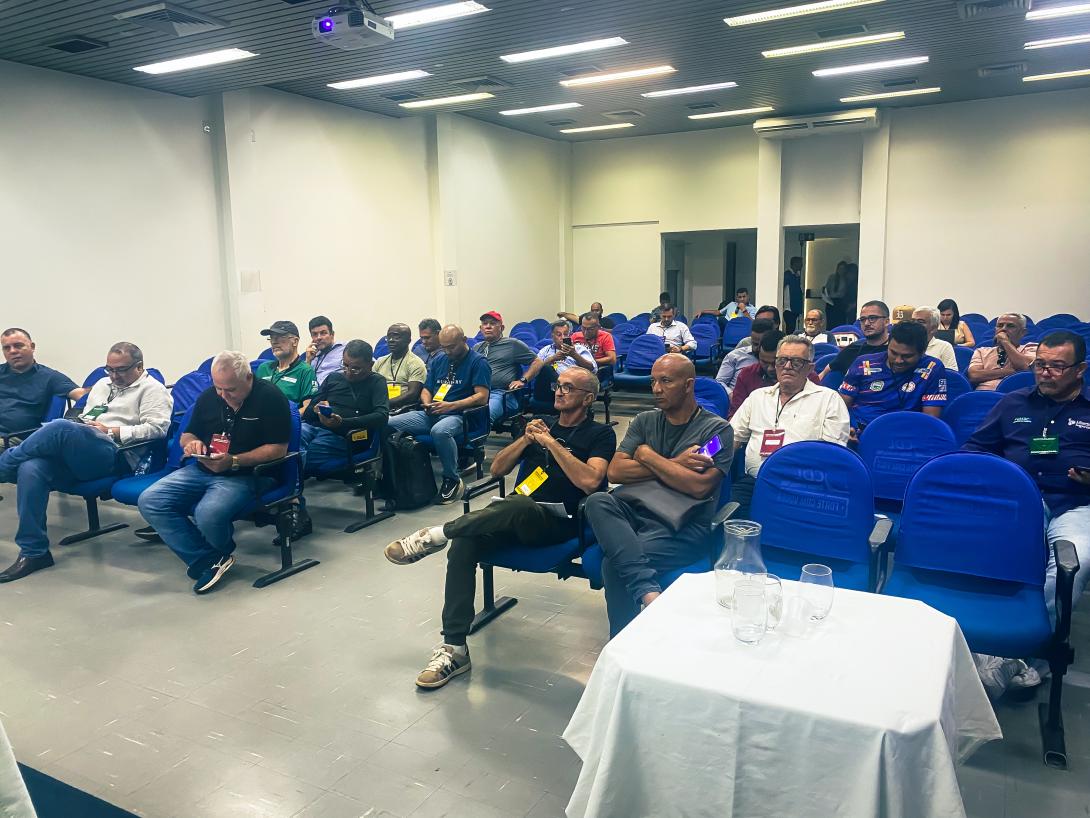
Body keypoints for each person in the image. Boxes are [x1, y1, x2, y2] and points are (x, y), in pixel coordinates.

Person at [383, 367, 616, 688]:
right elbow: (498, 469)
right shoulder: (539, 426)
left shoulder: (600, 434)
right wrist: (525, 439)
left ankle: (437, 534)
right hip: (514, 516)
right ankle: (454, 648)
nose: (559, 392)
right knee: (467, 540)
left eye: (569, 388)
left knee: (517, 504)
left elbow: (591, 482)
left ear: (588, 398)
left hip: (562, 524)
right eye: (558, 386)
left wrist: (552, 444)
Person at [964, 330, 1090, 695]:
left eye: (1057, 366)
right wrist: (996, 477)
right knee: (982, 553)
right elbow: (974, 448)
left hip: (1075, 503)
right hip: (1017, 501)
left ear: (1080, 370)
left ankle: (1022, 654)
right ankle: (977, 640)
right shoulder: (1012, 403)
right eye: (1040, 365)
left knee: (1073, 564)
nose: (1045, 372)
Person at [586, 354, 733, 636]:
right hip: (637, 513)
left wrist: (645, 454)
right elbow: (615, 471)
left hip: (684, 524)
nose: (655, 388)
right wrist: (675, 463)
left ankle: (623, 642)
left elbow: (698, 487)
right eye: (653, 381)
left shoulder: (717, 431)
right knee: (597, 500)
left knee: (613, 565)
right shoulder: (644, 420)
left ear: (688, 385)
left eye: (665, 381)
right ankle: (647, 593)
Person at [0, 342, 172, 582]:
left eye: (120, 370)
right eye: (109, 369)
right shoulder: (103, 385)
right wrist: (84, 426)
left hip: (116, 454)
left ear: (139, 366)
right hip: (84, 451)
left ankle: (5, 464)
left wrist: (112, 431)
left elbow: (158, 429)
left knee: (60, 427)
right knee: (32, 468)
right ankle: (34, 552)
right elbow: (87, 417)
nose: (113, 376)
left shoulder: (153, 390)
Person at [138, 351, 291, 594]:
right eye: (219, 388)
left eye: (230, 389)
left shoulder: (271, 398)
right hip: (204, 467)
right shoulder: (211, 396)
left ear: (248, 378)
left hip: (248, 474)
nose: (223, 395)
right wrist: (191, 444)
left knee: (207, 513)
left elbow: (278, 449)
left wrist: (235, 461)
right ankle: (209, 558)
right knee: (150, 500)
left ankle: (214, 555)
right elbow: (188, 433)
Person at [729, 335, 850, 516]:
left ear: (810, 367)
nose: (787, 366)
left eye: (796, 362)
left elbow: (830, 456)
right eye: (782, 360)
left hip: (803, 487)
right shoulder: (758, 397)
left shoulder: (829, 399)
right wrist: (703, 454)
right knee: (733, 527)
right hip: (755, 482)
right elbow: (730, 437)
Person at [388, 325, 491, 503]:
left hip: (461, 415)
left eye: (451, 347)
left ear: (464, 341)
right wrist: (427, 402)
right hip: (433, 412)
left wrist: (451, 406)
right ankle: (395, 476)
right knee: (388, 422)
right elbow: (426, 388)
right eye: (444, 347)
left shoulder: (478, 362)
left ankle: (452, 478)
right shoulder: (440, 359)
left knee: (440, 431)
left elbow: (482, 397)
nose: (447, 351)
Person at [839, 321, 947, 436]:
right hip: (860, 431)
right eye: (893, 353)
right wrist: (847, 429)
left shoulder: (932, 368)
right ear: (888, 345)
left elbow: (929, 421)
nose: (898, 360)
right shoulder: (863, 363)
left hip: (904, 435)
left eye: (907, 356)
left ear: (923, 352)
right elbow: (840, 406)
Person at [301, 339, 388, 476]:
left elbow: (382, 416)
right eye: (345, 365)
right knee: (289, 441)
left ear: (370, 365)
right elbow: (308, 414)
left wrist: (342, 422)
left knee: (300, 455)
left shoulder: (376, 382)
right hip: (316, 427)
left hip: (347, 437)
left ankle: (288, 488)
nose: (348, 372)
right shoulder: (333, 377)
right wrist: (317, 410)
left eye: (355, 368)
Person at [0, 328, 85, 436]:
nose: (12, 351)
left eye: (18, 345)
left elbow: (84, 396)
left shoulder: (50, 377)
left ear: (32, 347)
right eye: (7, 348)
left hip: (15, 439)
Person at [728, 331, 822, 420]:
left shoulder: (807, 376)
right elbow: (735, 416)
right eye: (764, 362)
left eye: (774, 363)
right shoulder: (747, 375)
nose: (770, 368)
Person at [475, 311, 537, 426]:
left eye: (492, 323)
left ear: (502, 328)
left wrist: (523, 380)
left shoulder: (512, 344)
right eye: (485, 324)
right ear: (480, 328)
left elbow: (537, 362)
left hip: (501, 394)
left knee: (484, 417)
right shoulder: (477, 348)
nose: (488, 326)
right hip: (476, 392)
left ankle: (475, 443)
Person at [821, 300, 891, 379]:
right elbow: (826, 371)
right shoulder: (854, 348)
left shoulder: (896, 349)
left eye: (872, 318)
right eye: (863, 319)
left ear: (886, 321)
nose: (867, 323)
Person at [967, 313, 1038, 391]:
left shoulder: (1032, 348)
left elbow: (1025, 368)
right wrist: (1013, 372)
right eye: (1000, 326)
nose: (1003, 329)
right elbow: (974, 375)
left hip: (1015, 394)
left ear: (1023, 332)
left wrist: (1005, 342)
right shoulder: (981, 351)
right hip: (984, 394)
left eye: (1010, 326)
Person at [256, 321, 318, 408]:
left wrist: (285, 418)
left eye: (280, 337)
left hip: (288, 418)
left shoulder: (305, 370)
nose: (274, 342)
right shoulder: (263, 368)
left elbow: (307, 408)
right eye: (272, 338)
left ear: (295, 341)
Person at [374, 323, 427, 412]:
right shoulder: (380, 361)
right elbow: (370, 386)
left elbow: (413, 394)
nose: (391, 340)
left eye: (396, 337)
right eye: (389, 337)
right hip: (379, 407)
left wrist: (385, 404)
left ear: (408, 340)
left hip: (403, 409)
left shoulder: (416, 363)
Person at [715, 318, 775, 395]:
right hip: (737, 399)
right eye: (754, 343)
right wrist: (730, 394)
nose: (755, 348)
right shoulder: (734, 356)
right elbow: (719, 382)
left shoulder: (780, 360)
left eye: (760, 345)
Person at [911, 306, 959, 372]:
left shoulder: (944, 347)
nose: (914, 325)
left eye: (921, 322)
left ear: (934, 328)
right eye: (912, 321)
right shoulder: (903, 345)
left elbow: (951, 376)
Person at [304, 315, 344, 386]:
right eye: (315, 334)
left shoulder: (345, 349)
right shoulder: (311, 355)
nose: (319, 337)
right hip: (312, 394)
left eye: (323, 333)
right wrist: (308, 361)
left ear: (332, 334)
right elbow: (303, 382)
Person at [783, 257, 804, 333]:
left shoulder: (797, 276)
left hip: (795, 307)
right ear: (794, 264)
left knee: (792, 327)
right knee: (790, 328)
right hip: (788, 307)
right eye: (800, 263)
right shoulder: (787, 275)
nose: (801, 265)